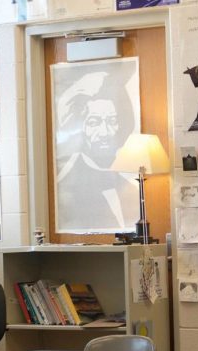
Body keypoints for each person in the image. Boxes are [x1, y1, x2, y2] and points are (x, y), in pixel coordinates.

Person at [54, 69, 139, 232]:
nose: (105, 132)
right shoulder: (67, 190)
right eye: (94, 122)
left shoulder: (132, 188)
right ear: (80, 127)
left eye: (112, 121)